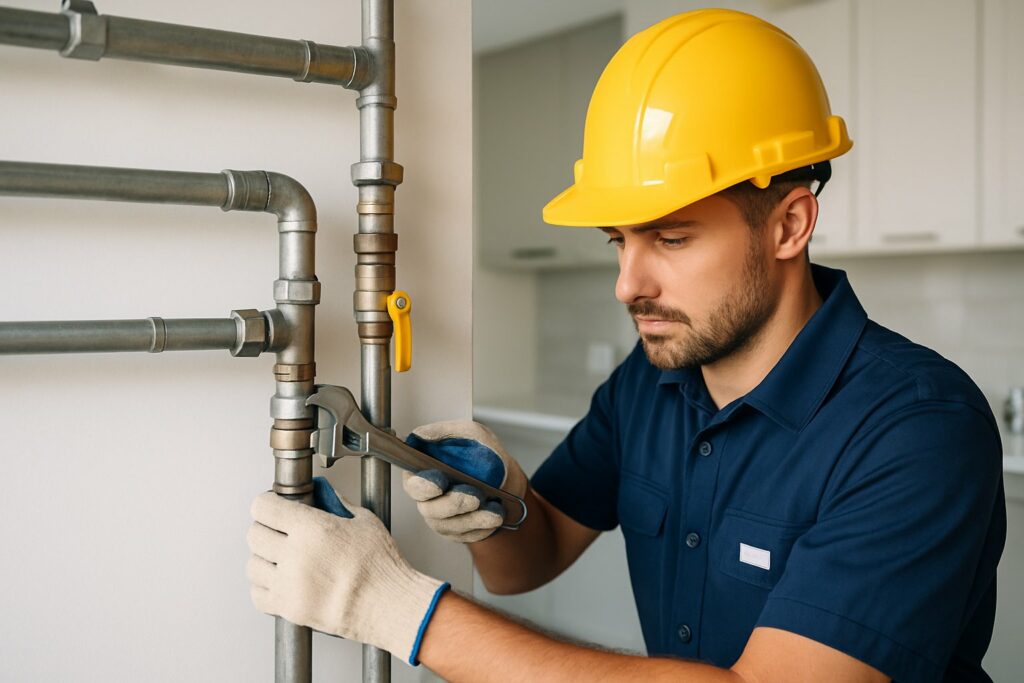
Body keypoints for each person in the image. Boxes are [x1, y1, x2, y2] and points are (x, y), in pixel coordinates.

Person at [247, 9, 1006, 682]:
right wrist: (497, 500)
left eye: (671, 237)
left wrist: (396, 608)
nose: (627, 283)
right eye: (619, 240)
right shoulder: (651, 381)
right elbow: (529, 559)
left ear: (789, 225)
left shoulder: (916, 430)